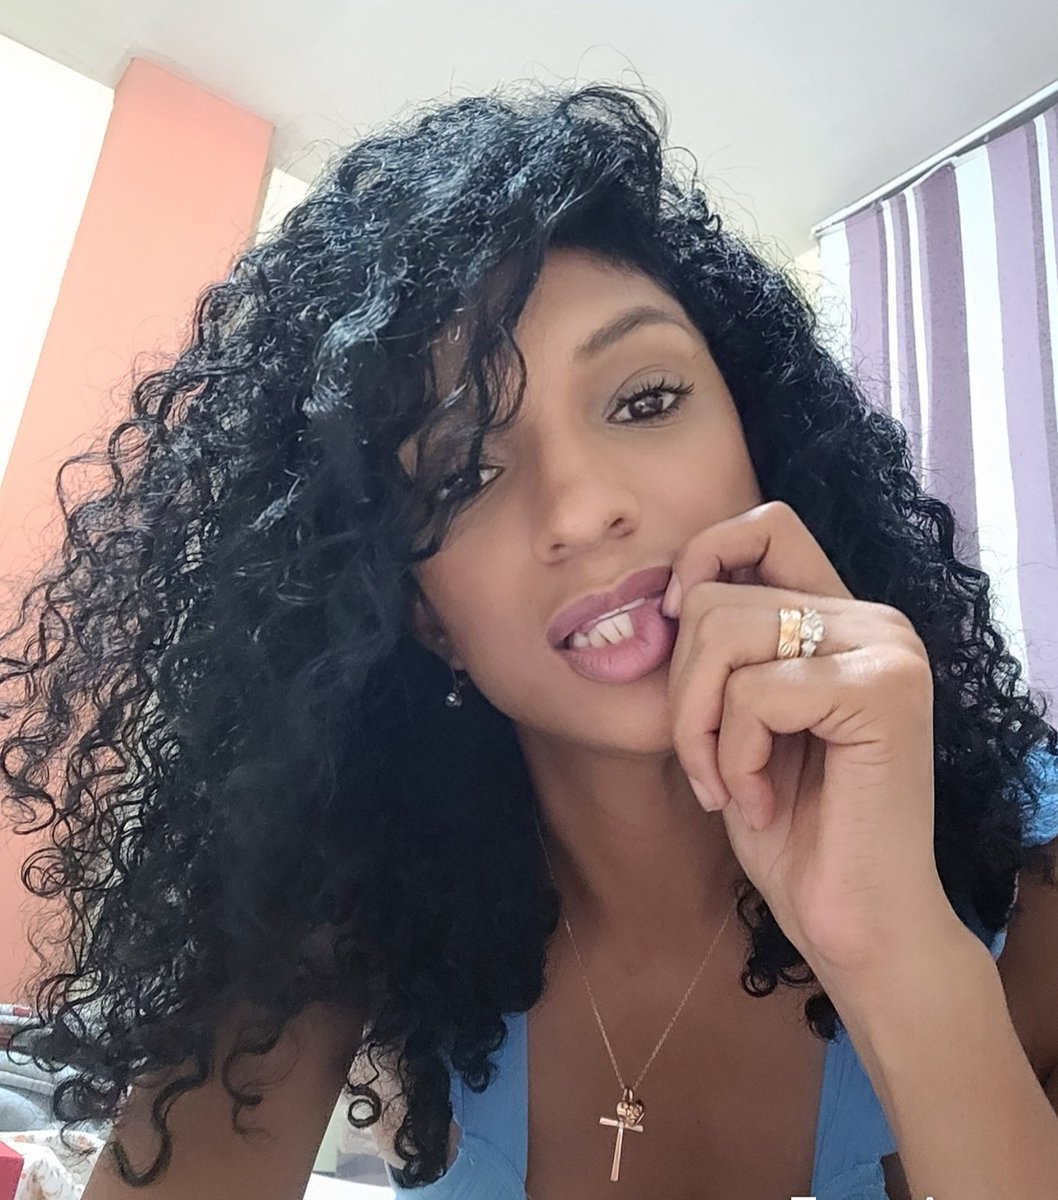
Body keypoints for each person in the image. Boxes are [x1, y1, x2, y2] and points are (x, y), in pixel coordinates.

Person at [2, 82, 1056, 1200]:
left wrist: (899, 956)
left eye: (644, 401)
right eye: (465, 472)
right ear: (416, 611)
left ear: (762, 441)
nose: (580, 509)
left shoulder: (1027, 872)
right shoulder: (350, 894)